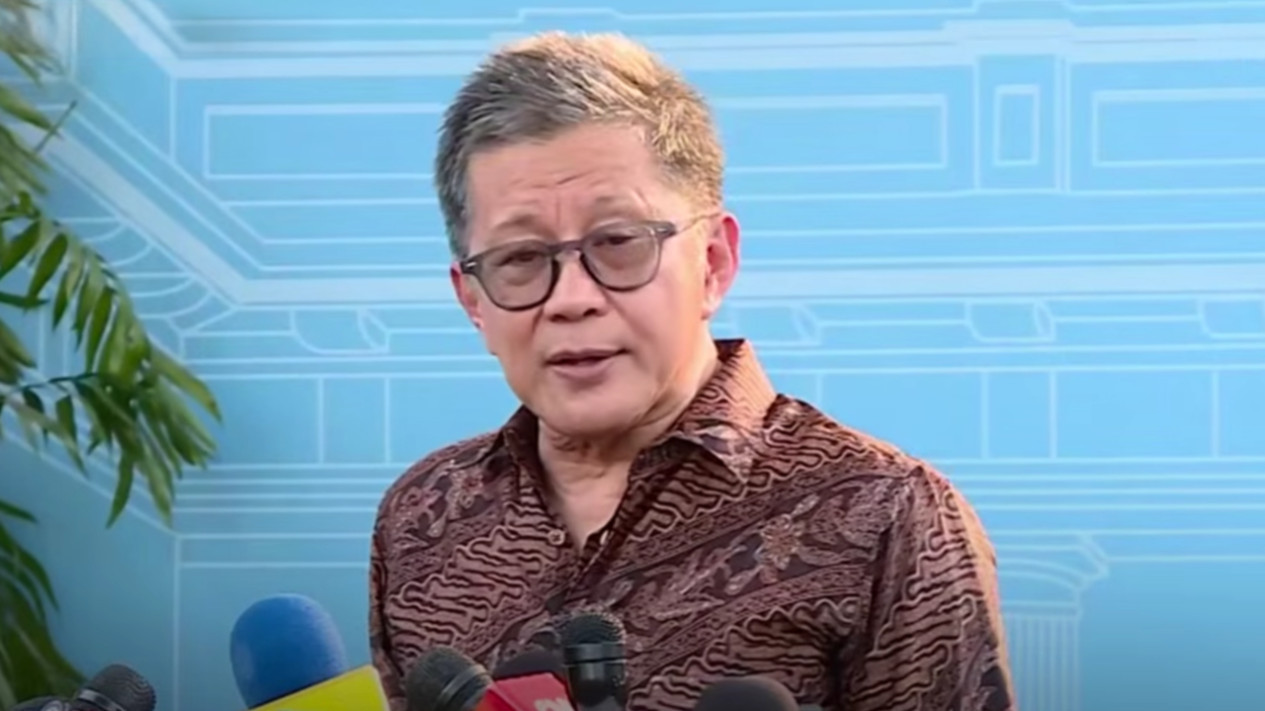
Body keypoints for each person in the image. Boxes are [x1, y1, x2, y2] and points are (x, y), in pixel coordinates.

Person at [369, 31, 1016, 711]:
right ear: (472, 300)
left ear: (713, 262)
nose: (571, 299)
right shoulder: (421, 517)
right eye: (521, 259)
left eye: (618, 242)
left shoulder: (883, 512)